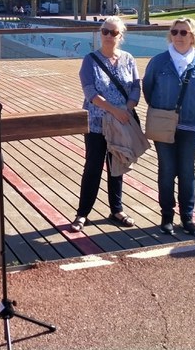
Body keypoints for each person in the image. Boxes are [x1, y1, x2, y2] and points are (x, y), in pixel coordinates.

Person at [70, 16, 140, 232]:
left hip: (121, 122)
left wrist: (126, 108)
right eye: (105, 31)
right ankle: (82, 214)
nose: (108, 35)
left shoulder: (128, 59)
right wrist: (115, 111)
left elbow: (136, 87)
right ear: (100, 33)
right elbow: (90, 92)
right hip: (97, 123)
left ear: (121, 36)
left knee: (116, 165)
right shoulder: (90, 60)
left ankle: (116, 209)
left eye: (113, 32)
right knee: (93, 167)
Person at [142, 18, 195, 235]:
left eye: (184, 32)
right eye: (175, 32)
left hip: (191, 126)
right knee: (167, 170)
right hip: (163, 125)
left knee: (187, 171)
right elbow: (148, 90)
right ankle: (167, 216)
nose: (179, 37)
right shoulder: (158, 62)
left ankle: (187, 216)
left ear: (193, 37)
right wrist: (165, 110)